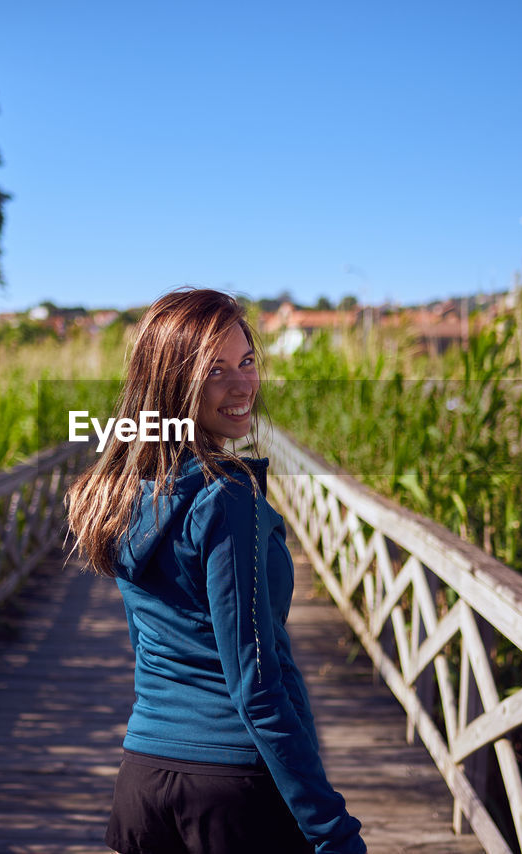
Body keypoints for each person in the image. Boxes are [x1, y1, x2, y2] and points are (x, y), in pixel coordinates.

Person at [64, 288, 366, 854]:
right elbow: (256, 684)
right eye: (215, 370)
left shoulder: (128, 494)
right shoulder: (227, 500)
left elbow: (148, 646)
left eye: (247, 362)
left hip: (144, 781)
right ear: (174, 387)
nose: (242, 384)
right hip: (230, 790)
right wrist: (332, 830)